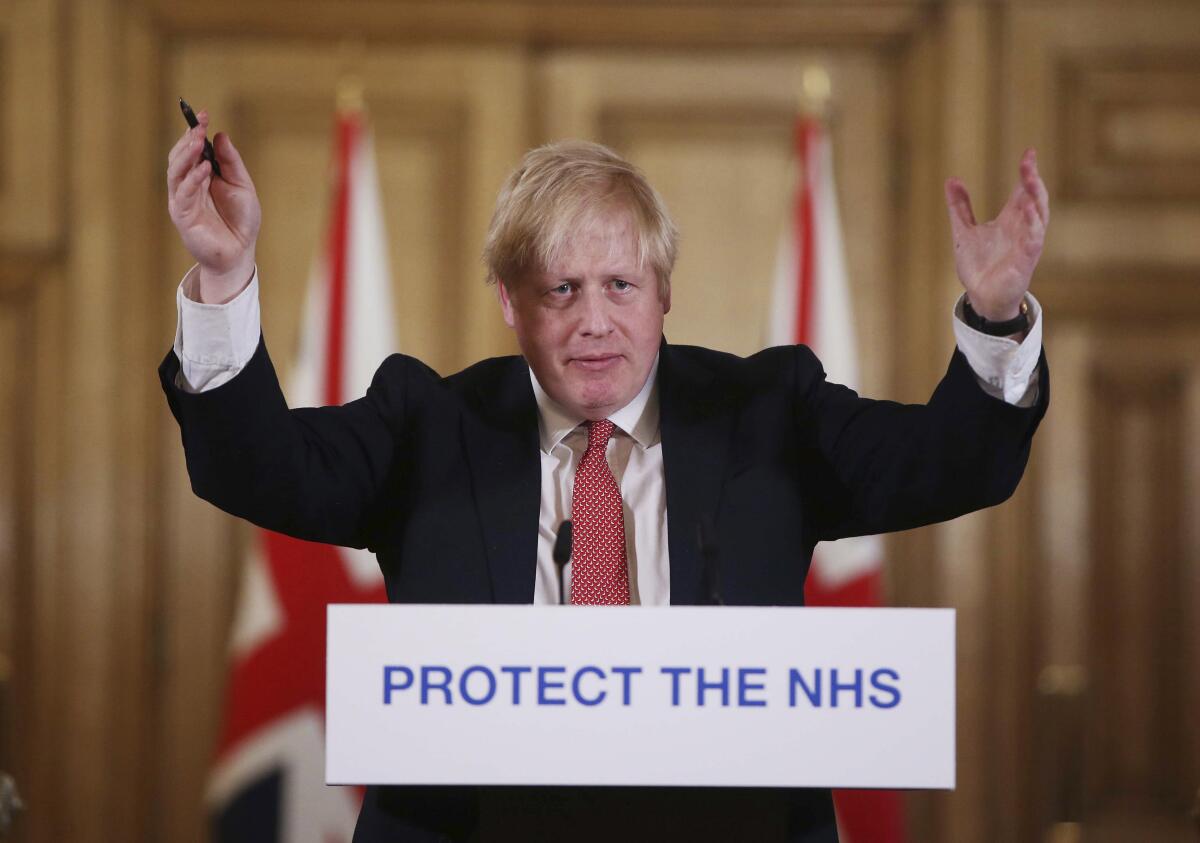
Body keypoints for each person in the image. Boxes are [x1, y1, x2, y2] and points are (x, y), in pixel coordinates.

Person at [161, 110, 1049, 842]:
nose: (595, 322)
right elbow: (261, 470)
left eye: (622, 285)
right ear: (510, 301)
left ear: (665, 292)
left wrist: (996, 315)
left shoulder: (771, 413)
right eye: (561, 289)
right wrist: (225, 271)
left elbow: (949, 463)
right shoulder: (427, 424)